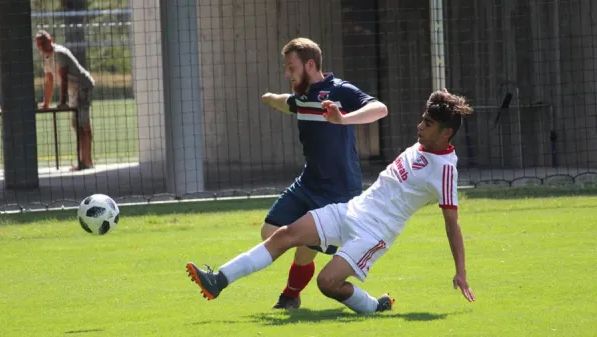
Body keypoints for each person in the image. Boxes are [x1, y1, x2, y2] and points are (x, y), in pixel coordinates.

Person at [186, 89, 477, 314]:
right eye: (423, 119)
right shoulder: (423, 144)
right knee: (285, 234)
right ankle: (218, 280)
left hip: (373, 234)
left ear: (446, 132)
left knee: (327, 284)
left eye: (428, 123)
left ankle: (374, 306)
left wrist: (461, 272)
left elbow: (452, 224)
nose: (420, 126)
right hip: (351, 210)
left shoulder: (446, 170)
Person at [256, 37, 388, 309]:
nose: (286, 73)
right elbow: (288, 103)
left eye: (291, 67)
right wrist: (270, 99)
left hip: (339, 191)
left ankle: (290, 296)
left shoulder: (338, 90)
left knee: (304, 250)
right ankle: (295, 284)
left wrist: (344, 118)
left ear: (310, 64)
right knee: (269, 231)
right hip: (308, 183)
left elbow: (379, 108)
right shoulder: (303, 94)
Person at [35, 30, 96, 171]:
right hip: (73, 90)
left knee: (82, 124)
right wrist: (46, 103)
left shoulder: (59, 53)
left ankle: (86, 161)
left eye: (43, 43)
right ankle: (85, 161)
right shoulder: (47, 58)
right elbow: (49, 81)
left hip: (82, 86)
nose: (41, 47)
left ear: (51, 40)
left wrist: (62, 102)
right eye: (39, 45)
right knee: (77, 124)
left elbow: (63, 78)